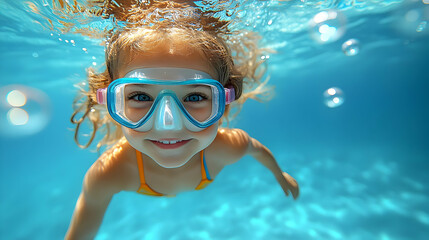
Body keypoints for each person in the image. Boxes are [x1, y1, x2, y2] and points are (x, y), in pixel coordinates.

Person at [65, 1, 299, 239]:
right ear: (113, 102)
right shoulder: (109, 173)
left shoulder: (229, 146)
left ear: (224, 100)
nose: (169, 125)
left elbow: (257, 150)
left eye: (195, 96)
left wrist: (280, 175)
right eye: (140, 96)